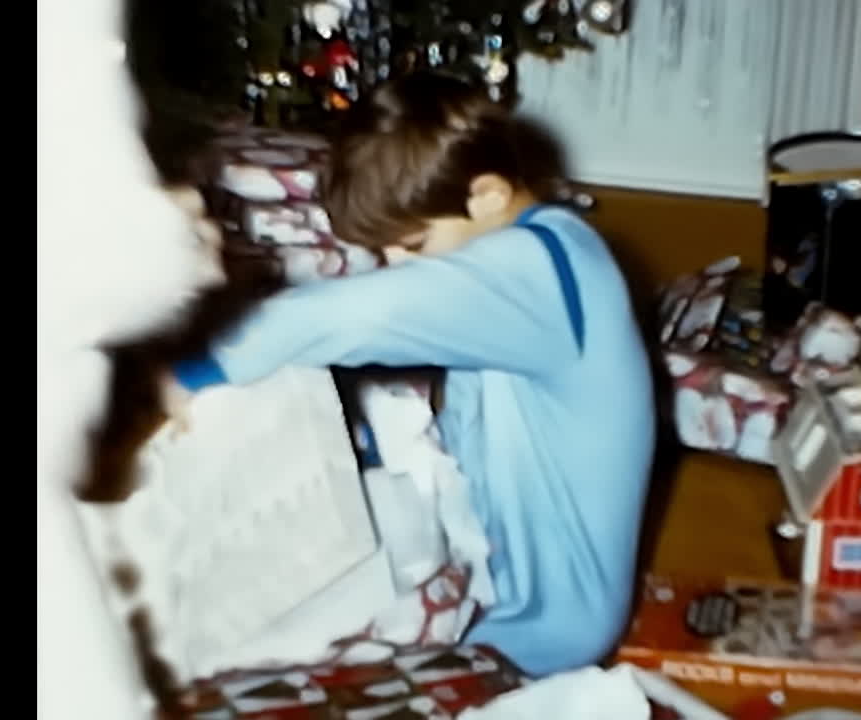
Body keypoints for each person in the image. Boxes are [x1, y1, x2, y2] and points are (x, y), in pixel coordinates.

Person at [161, 71, 656, 676]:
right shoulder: (548, 246)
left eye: (413, 244)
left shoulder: (537, 273)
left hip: (537, 625)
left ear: (489, 196)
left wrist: (195, 372)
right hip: (506, 587)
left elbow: (357, 314)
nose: (396, 266)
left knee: (273, 654)